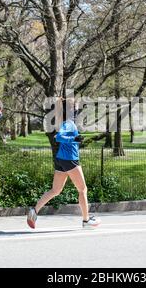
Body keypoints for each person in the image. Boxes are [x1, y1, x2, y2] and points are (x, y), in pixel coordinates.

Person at [27, 98, 101, 229]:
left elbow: (59, 136)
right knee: (83, 189)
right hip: (70, 160)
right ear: (71, 110)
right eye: (77, 108)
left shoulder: (65, 122)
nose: (78, 110)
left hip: (61, 159)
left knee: (55, 190)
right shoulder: (69, 123)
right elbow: (59, 137)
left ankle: (34, 211)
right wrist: (74, 138)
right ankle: (86, 221)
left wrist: (73, 139)